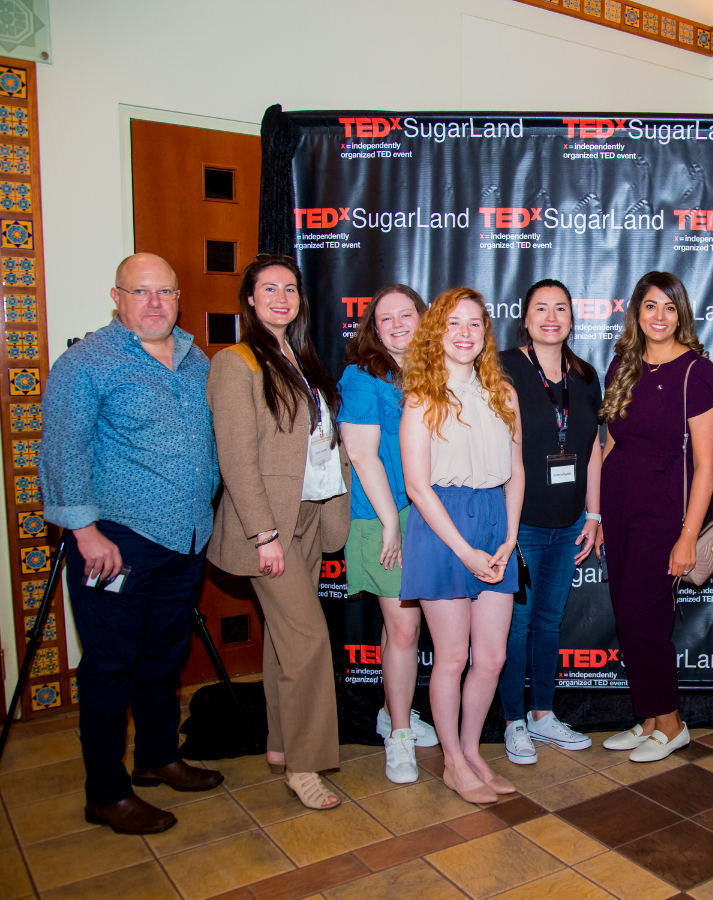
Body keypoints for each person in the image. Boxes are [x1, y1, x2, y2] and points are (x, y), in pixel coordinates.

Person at [40, 253, 223, 835]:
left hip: (185, 538)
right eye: (140, 292)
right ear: (116, 297)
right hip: (114, 542)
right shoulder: (85, 363)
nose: (154, 303)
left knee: (164, 656)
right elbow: (62, 449)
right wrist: (85, 532)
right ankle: (106, 792)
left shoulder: (198, 363)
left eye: (165, 292)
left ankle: (156, 756)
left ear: (178, 298)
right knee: (110, 666)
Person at [207, 254, 351, 811]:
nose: (281, 298)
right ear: (248, 298)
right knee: (309, 640)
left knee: (282, 639)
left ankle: (278, 743)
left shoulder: (302, 357)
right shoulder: (236, 362)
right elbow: (237, 460)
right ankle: (306, 764)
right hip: (269, 525)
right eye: (269, 289)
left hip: (311, 515)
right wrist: (264, 534)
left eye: (289, 289)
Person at [399, 287, 524, 804]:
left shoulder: (504, 394)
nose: (466, 333)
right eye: (454, 323)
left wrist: (511, 534)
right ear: (437, 332)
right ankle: (451, 761)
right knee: (451, 657)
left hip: (496, 522)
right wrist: (464, 551)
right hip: (442, 528)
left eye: (475, 324)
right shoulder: (420, 396)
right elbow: (417, 486)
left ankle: (472, 751)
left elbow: (516, 473)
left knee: (491, 657)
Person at [599, 271, 713, 762]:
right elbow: (609, 443)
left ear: (681, 314)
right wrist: (599, 512)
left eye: (669, 307)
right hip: (619, 503)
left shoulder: (697, 372)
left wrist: (688, 533)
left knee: (646, 617)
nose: (659, 316)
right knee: (627, 616)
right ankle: (647, 717)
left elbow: (707, 463)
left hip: (665, 508)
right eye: (650, 306)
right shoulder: (621, 365)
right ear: (637, 312)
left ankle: (671, 724)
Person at [337, 284, 439, 785]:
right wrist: (392, 522)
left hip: (428, 515)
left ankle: (388, 712)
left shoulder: (433, 373)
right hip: (384, 518)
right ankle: (398, 734)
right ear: (372, 329)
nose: (397, 325)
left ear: (423, 319)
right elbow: (361, 454)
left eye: (406, 315)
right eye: (385, 319)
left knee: (408, 627)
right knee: (402, 629)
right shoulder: (361, 377)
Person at [497, 280, 602, 765]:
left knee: (549, 621)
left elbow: (594, 451)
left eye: (561, 307)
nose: (551, 316)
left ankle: (542, 715)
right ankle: (513, 721)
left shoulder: (585, 375)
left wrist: (594, 514)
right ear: (525, 317)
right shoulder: (502, 366)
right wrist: (505, 525)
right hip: (520, 524)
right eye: (541, 307)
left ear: (572, 319)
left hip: (568, 524)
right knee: (515, 625)